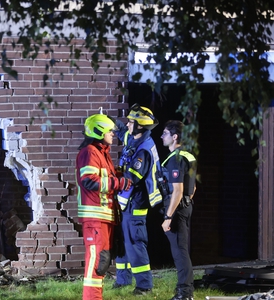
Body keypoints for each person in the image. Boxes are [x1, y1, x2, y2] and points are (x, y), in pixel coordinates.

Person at [75, 112, 133, 300]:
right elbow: (89, 181)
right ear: (99, 131)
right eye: (110, 130)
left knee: (102, 261)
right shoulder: (90, 152)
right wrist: (119, 183)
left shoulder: (101, 153)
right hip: (95, 218)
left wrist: (118, 173)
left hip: (104, 217)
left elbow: (104, 176)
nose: (113, 134)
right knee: (96, 262)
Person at [112, 104, 163, 295]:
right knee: (123, 241)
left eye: (131, 122)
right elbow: (123, 133)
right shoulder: (135, 139)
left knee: (135, 243)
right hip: (126, 203)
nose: (128, 124)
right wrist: (113, 123)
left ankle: (144, 285)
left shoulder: (143, 150)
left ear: (140, 126)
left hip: (136, 204)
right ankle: (122, 280)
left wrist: (109, 179)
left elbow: (130, 179)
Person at [160, 120, 197, 300]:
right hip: (186, 206)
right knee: (181, 249)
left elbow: (178, 190)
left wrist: (168, 216)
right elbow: (193, 187)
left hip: (176, 209)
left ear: (174, 137)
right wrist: (186, 202)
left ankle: (185, 292)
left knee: (179, 251)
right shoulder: (189, 156)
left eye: (165, 133)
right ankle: (184, 290)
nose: (162, 136)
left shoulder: (175, 158)